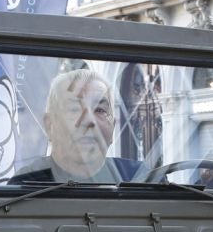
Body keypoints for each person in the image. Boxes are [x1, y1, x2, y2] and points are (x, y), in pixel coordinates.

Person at [12, 68, 140, 185]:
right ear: (49, 125)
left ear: (112, 127)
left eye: (100, 110)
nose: (89, 120)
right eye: (75, 109)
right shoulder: (27, 184)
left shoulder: (138, 180)